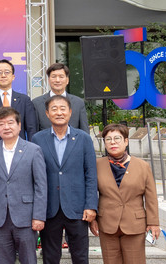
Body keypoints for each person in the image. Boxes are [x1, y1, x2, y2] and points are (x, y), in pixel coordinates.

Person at [31, 94, 98, 264]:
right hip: (49, 207)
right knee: (50, 257)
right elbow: (34, 176)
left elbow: (91, 174)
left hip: (77, 208)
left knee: (80, 257)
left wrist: (91, 206)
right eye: (54, 109)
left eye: (63, 109)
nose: (59, 113)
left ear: (70, 112)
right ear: (47, 114)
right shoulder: (38, 139)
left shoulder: (83, 138)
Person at [0, 106, 47, 264]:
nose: (6, 127)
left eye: (10, 123)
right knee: (4, 260)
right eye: (1, 124)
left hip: (26, 217)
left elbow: (41, 186)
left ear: (19, 125)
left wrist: (38, 216)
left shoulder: (33, 150)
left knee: (29, 260)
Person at [90, 123, 160, 264]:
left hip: (134, 223)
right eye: (108, 139)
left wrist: (153, 223)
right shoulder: (97, 165)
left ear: (126, 141)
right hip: (107, 223)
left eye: (117, 138)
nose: (113, 142)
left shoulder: (142, 166)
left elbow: (151, 197)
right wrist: (93, 219)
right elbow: (90, 192)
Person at [0, 59, 37, 145]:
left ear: (13, 77)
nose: (3, 75)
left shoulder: (24, 100)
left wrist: (31, 149)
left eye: (7, 72)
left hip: (20, 147)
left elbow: (32, 128)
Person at [32, 63, 89, 132]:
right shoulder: (36, 103)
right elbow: (34, 133)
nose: (57, 80)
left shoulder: (78, 103)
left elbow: (84, 131)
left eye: (61, 77)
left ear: (67, 80)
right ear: (49, 80)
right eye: (54, 77)